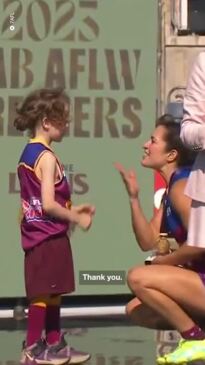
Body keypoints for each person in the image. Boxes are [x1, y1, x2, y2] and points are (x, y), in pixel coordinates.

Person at [115, 114, 205, 365]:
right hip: (199, 282)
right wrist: (133, 198)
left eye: (153, 140)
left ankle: (195, 338)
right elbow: (148, 241)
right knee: (136, 309)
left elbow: (199, 246)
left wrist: (162, 264)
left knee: (138, 276)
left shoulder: (183, 188)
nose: (145, 144)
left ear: (171, 155)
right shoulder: (170, 192)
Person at [14, 88, 95, 365]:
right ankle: (34, 349)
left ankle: (53, 344)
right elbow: (48, 204)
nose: (68, 124)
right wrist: (77, 218)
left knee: (52, 290)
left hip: (43, 235)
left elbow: (40, 200)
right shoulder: (46, 157)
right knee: (42, 293)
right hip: (47, 237)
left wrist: (73, 208)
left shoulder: (29, 153)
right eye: (63, 119)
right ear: (47, 121)